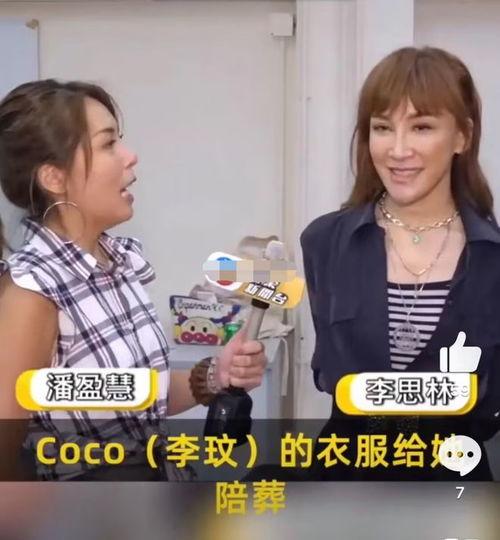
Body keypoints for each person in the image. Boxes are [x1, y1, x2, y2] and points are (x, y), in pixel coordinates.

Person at [0, 79, 267, 480]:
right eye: (108, 144)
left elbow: (139, 399)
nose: (130, 156)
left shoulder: (118, 262)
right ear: (54, 177)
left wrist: (216, 375)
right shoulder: (32, 291)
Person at [300, 46, 500, 480]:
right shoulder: (324, 242)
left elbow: (489, 405)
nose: (398, 149)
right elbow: (329, 373)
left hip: (452, 485)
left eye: (422, 127)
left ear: (462, 136)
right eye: (382, 128)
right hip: (344, 481)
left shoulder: (492, 258)